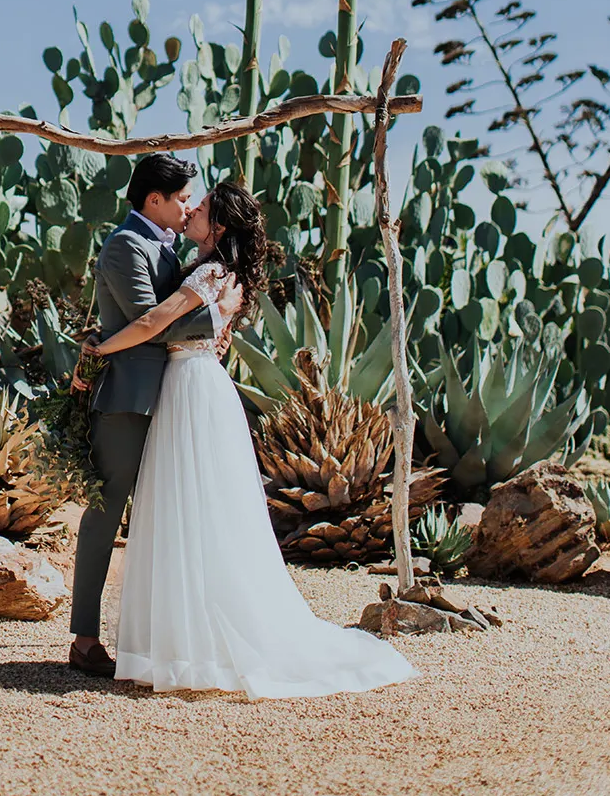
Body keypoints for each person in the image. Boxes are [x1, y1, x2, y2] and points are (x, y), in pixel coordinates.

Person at [85, 178, 419, 699]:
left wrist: (100, 350)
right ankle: (183, 642)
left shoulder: (212, 271)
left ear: (217, 227)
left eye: (202, 208)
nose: (190, 209)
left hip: (191, 390)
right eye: (186, 202)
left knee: (194, 511)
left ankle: (195, 644)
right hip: (189, 388)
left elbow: (155, 321)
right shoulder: (208, 269)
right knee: (188, 512)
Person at [67, 153, 243, 677]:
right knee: (106, 514)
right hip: (130, 400)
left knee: (177, 518)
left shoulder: (169, 249)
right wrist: (218, 315)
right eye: (183, 198)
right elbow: (154, 325)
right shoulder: (126, 246)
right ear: (154, 200)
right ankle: (83, 638)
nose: (189, 207)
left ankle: (176, 637)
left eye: (194, 200)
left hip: (172, 400)